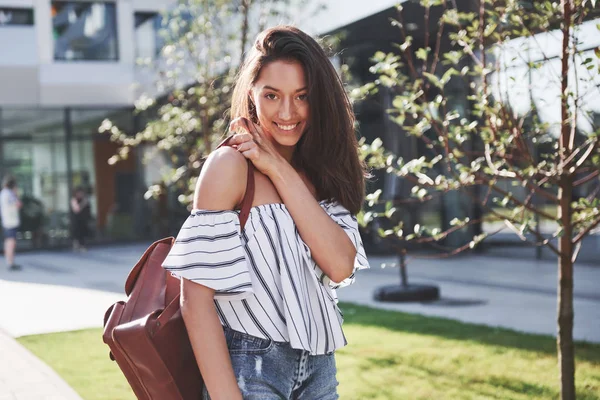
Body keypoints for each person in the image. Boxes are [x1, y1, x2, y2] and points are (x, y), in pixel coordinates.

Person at [161, 25, 370, 399]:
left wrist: (278, 168)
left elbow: (340, 265)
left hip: (319, 368)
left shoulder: (320, 172)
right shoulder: (230, 167)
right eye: (272, 95)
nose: (287, 112)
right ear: (252, 95)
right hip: (251, 365)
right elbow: (194, 299)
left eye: (302, 96)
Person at [1, 175, 22, 271]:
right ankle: (10, 262)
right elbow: (18, 204)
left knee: (8, 242)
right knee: (11, 242)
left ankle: (9, 261)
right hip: (11, 222)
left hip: (6, 221)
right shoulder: (9, 194)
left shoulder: (3, 193)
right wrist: (16, 194)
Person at [70, 186, 91, 252]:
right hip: (76, 220)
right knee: (77, 233)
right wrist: (83, 203)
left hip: (84, 220)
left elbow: (88, 210)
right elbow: (77, 210)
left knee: (83, 233)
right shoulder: (73, 200)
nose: (80, 194)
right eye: (79, 193)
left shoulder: (85, 200)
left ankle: (82, 246)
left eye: (82, 193)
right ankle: (76, 245)